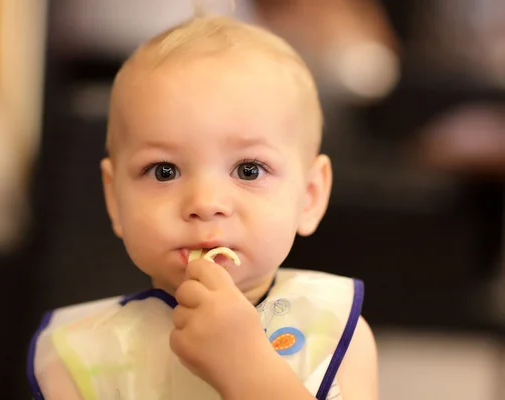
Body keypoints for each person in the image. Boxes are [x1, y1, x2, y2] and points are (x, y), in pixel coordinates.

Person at [27, 14, 378, 400]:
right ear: (114, 198)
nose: (205, 203)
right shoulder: (81, 357)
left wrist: (248, 371)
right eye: (164, 171)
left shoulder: (333, 333)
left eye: (249, 169)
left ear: (310, 196)